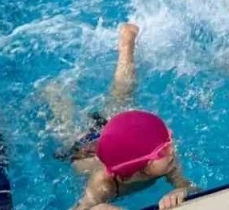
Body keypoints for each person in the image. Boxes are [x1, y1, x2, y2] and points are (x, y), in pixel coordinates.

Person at [50, 24, 195, 210]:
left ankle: (127, 46)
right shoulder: (103, 184)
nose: (172, 149)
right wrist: (98, 208)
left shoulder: (168, 161)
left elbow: (192, 187)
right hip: (83, 149)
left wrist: (183, 191)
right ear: (142, 164)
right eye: (163, 149)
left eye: (168, 139)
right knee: (66, 125)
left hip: (115, 136)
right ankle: (54, 94)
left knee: (123, 96)